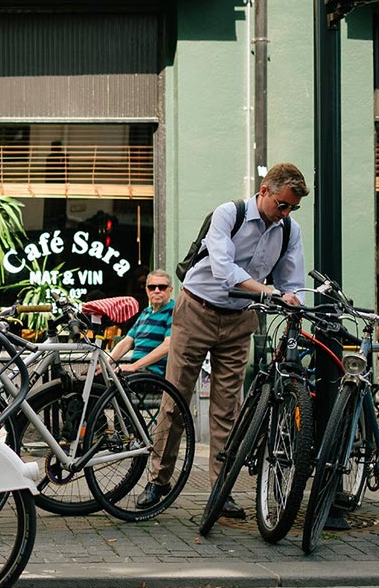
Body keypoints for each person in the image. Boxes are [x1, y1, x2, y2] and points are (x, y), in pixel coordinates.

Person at [141, 163, 308, 517]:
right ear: (264, 191)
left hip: (239, 320)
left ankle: (222, 488)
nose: (285, 213)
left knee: (227, 409)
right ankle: (158, 480)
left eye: (292, 207)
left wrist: (294, 300)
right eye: (282, 204)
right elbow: (223, 269)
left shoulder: (289, 230)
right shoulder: (228, 214)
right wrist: (268, 291)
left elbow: (292, 282)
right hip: (197, 310)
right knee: (176, 398)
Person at [109, 268, 175, 374]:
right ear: (147, 291)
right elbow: (127, 341)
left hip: (154, 374)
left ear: (170, 290)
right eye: (152, 287)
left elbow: (168, 345)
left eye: (162, 287)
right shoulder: (146, 312)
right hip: (137, 372)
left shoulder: (173, 311)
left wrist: (135, 366)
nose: (156, 291)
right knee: (93, 380)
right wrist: (106, 364)